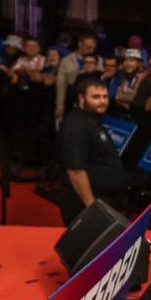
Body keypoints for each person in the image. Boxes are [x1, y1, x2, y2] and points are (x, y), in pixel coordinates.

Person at [55, 75, 130, 225]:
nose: (102, 101)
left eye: (104, 97)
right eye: (96, 97)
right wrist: (91, 206)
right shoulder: (76, 125)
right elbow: (75, 171)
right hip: (85, 203)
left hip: (103, 198)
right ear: (81, 98)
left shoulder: (92, 119)